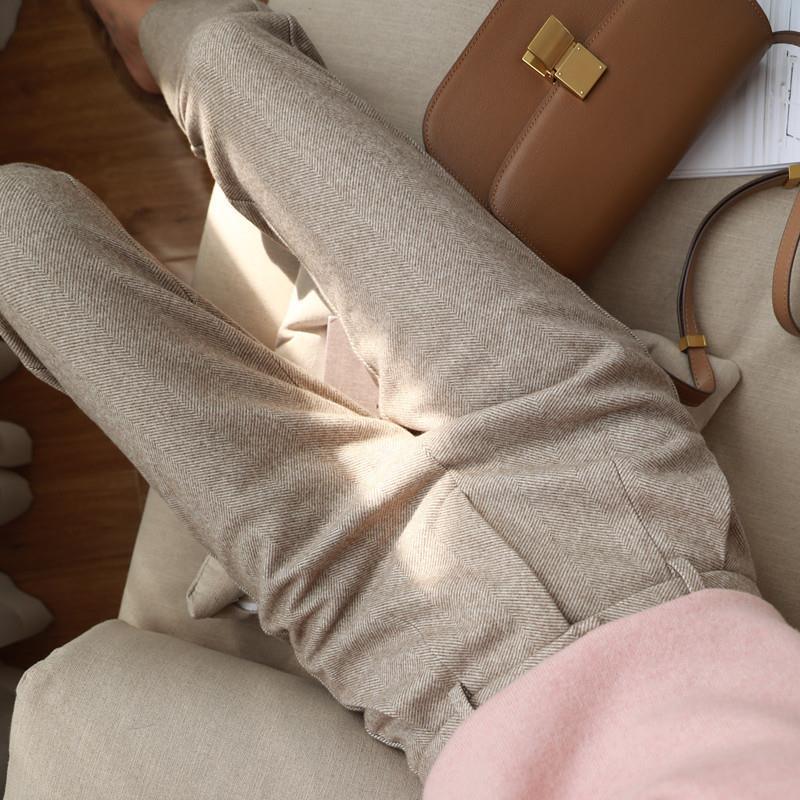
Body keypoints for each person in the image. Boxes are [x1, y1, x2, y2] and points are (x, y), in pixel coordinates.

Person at [2, 1, 800, 796]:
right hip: (620, 484)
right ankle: (151, 29)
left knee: (15, 236)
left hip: (412, 642)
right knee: (219, 55)